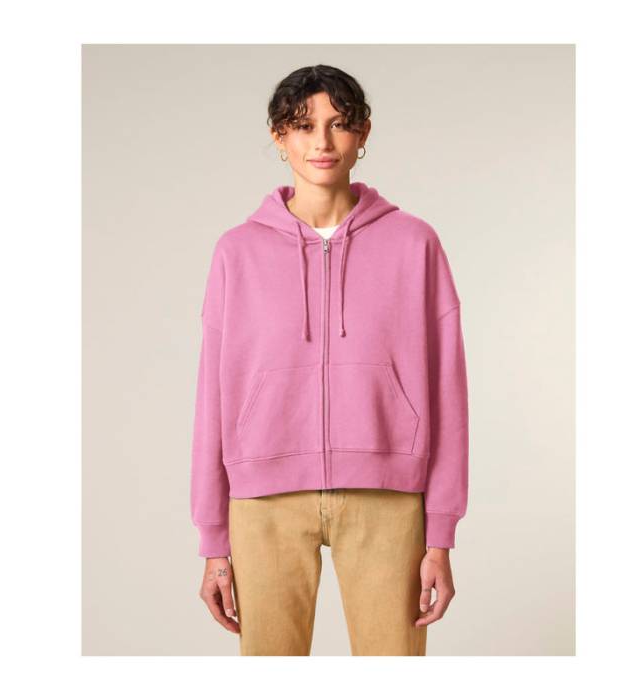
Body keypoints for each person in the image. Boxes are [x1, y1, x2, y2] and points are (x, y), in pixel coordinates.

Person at [190, 64, 469, 656]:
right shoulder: (237, 252)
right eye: (303, 125)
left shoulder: (414, 243)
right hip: (263, 503)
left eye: (339, 124)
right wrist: (214, 541)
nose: (321, 142)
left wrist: (441, 533)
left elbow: (448, 393)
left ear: (362, 133)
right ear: (279, 136)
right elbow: (212, 396)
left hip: (386, 497)